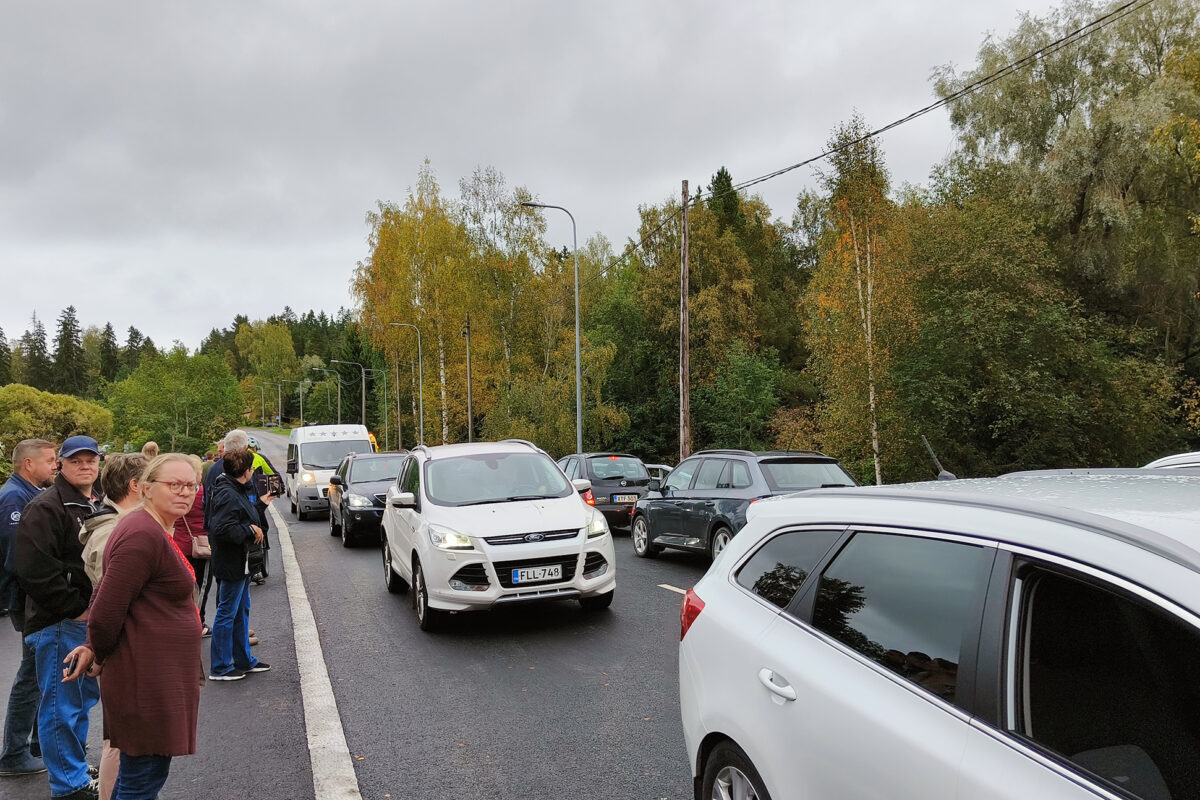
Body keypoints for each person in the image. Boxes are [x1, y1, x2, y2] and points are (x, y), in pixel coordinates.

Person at [63, 454, 203, 800]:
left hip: (152, 673)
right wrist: (98, 649)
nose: (184, 492)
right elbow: (109, 606)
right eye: (174, 485)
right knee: (144, 777)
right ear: (145, 488)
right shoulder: (142, 533)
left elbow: (105, 589)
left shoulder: (150, 527)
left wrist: (94, 646)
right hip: (146, 677)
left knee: (141, 775)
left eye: (190, 485)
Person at [10, 436, 102, 800]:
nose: (85, 465)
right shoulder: (46, 506)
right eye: (75, 460)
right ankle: (69, 784)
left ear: (99, 463)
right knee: (59, 705)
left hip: (83, 622)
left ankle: (74, 764)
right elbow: (32, 569)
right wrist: (75, 607)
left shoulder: (91, 502)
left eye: (90, 459)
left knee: (79, 702)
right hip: (59, 622)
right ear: (60, 464)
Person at [76, 453, 147, 800]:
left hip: (124, 645)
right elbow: (111, 602)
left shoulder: (118, 526)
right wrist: (101, 650)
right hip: (124, 648)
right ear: (136, 486)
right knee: (120, 742)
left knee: (122, 740)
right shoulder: (114, 532)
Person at [0, 439, 57, 777]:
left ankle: (37, 743)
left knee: (38, 673)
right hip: (27, 600)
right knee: (32, 675)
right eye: (49, 460)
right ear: (28, 464)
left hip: (31, 598)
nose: (55, 465)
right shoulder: (14, 499)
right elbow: (18, 558)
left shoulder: (26, 494)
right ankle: (14, 753)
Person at [206, 448, 274, 681]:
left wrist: (261, 506)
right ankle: (221, 666)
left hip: (240, 562)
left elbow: (240, 515)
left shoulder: (233, 488)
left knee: (240, 611)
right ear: (247, 471)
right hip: (231, 561)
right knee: (227, 613)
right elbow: (221, 528)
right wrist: (248, 529)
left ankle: (244, 660)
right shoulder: (227, 493)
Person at [171, 456, 210, 637]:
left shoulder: (175, 495)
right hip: (201, 545)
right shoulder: (202, 494)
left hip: (180, 543)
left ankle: (185, 621)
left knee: (185, 588)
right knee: (202, 586)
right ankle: (198, 622)